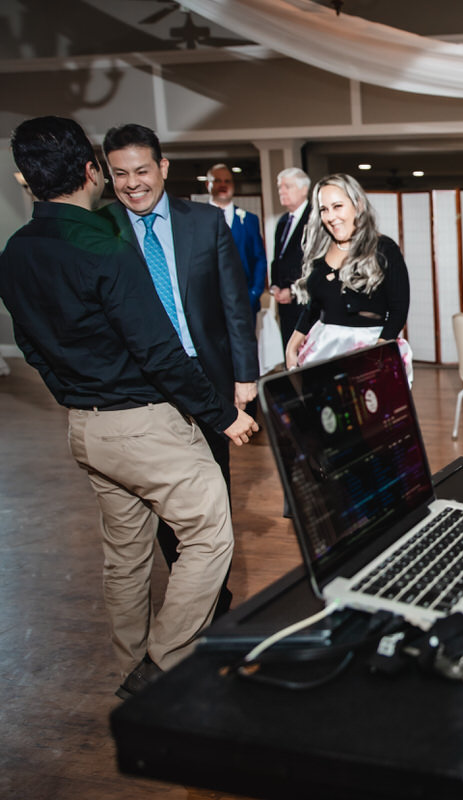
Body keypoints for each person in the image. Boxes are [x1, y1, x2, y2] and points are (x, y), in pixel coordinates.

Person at [0, 116, 258, 697]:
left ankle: (129, 662)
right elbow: (159, 353)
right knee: (211, 531)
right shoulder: (107, 246)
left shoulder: (14, 251)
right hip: (145, 425)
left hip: (86, 430)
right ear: (93, 171)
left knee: (126, 553)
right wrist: (223, 415)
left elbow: (31, 346)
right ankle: (164, 665)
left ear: (26, 181)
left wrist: (74, 393)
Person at [101, 123, 259, 617]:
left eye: (142, 170)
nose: (133, 183)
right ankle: (201, 605)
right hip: (141, 389)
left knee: (214, 498)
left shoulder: (206, 223)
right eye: (120, 173)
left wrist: (244, 375)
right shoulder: (101, 229)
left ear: (163, 168)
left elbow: (235, 305)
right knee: (170, 511)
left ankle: (216, 600)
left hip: (208, 379)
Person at [286, 173, 411, 370]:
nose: (331, 216)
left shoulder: (384, 249)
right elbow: (312, 310)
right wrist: (291, 348)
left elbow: (398, 311)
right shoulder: (320, 253)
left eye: (337, 206)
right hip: (323, 350)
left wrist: (377, 354)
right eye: (324, 210)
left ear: (358, 205)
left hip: (371, 349)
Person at [207, 163, 268, 314]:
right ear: (208, 184)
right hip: (209, 305)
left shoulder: (249, 220)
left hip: (245, 302)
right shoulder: (196, 220)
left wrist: (254, 293)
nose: (223, 185)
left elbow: (259, 258)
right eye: (218, 181)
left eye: (227, 181)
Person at [269, 167, 312, 350]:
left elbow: (312, 263)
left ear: (304, 189)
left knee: (306, 355)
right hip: (284, 305)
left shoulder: (315, 219)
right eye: (280, 187)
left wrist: (293, 291)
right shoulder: (283, 221)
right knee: (290, 354)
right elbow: (277, 259)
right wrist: (276, 285)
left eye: (287, 186)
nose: (282, 191)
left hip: (305, 302)